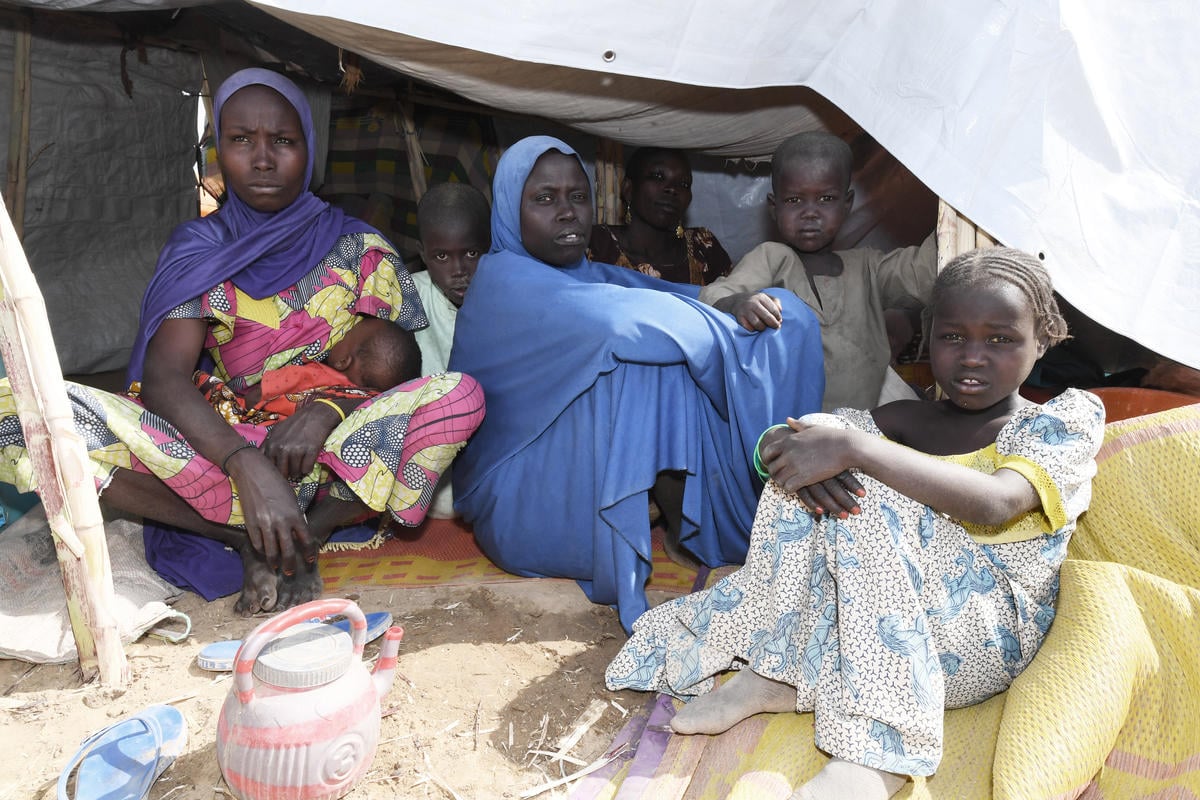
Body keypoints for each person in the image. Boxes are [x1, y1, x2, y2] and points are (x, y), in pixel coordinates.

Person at [607, 247, 1105, 799]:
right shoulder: (907, 418)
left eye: (1001, 339)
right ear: (927, 336)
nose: (973, 357)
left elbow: (994, 503)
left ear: (1043, 339)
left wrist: (853, 448)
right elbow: (802, 440)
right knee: (817, 438)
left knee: (859, 481)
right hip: (872, 633)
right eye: (953, 336)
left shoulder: (1060, 423)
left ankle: (879, 755)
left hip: (980, 643)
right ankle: (778, 671)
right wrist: (782, 443)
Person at [0, 68, 485, 615]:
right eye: (240, 140)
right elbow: (163, 379)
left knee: (460, 394)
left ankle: (306, 532)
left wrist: (328, 406)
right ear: (218, 151)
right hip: (225, 453)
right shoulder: (199, 248)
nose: (261, 159)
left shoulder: (362, 250)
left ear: (308, 148)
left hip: (339, 463)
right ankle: (249, 537)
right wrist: (246, 466)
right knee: (27, 408)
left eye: (282, 141)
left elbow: (399, 370)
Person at [448, 135, 825, 632]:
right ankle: (691, 525)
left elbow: (677, 295)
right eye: (544, 199)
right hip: (523, 502)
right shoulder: (504, 281)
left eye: (577, 197)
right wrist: (723, 325)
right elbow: (625, 324)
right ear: (508, 210)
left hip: (571, 480)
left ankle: (709, 514)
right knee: (646, 359)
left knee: (784, 315)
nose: (567, 213)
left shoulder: (587, 274)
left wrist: (732, 304)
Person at [699, 131, 937, 412]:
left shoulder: (869, 268)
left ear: (846, 204)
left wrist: (961, 206)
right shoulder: (772, 258)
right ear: (774, 208)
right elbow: (717, 294)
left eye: (826, 199)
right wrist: (738, 303)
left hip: (859, 430)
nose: (810, 212)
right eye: (794, 201)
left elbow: (923, 272)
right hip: (791, 430)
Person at [197, 315, 422, 425]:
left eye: (347, 333)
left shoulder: (311, 373)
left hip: (252, 423)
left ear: (343, 360)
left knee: (202, 381)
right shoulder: (353, 408)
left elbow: (257, 395)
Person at [588, 147, 732, 286]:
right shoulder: (597, 244)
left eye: (684, 184)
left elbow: (733, 300)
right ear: (628, 189)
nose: (672, 189)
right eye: (658, 176)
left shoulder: (704, 245)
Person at [411, 182, 492, 376]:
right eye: (442, 257)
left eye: (472, 253)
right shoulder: (409, 297)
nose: (459, 271)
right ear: (423, 255)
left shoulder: (510, 300)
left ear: (490, 247)